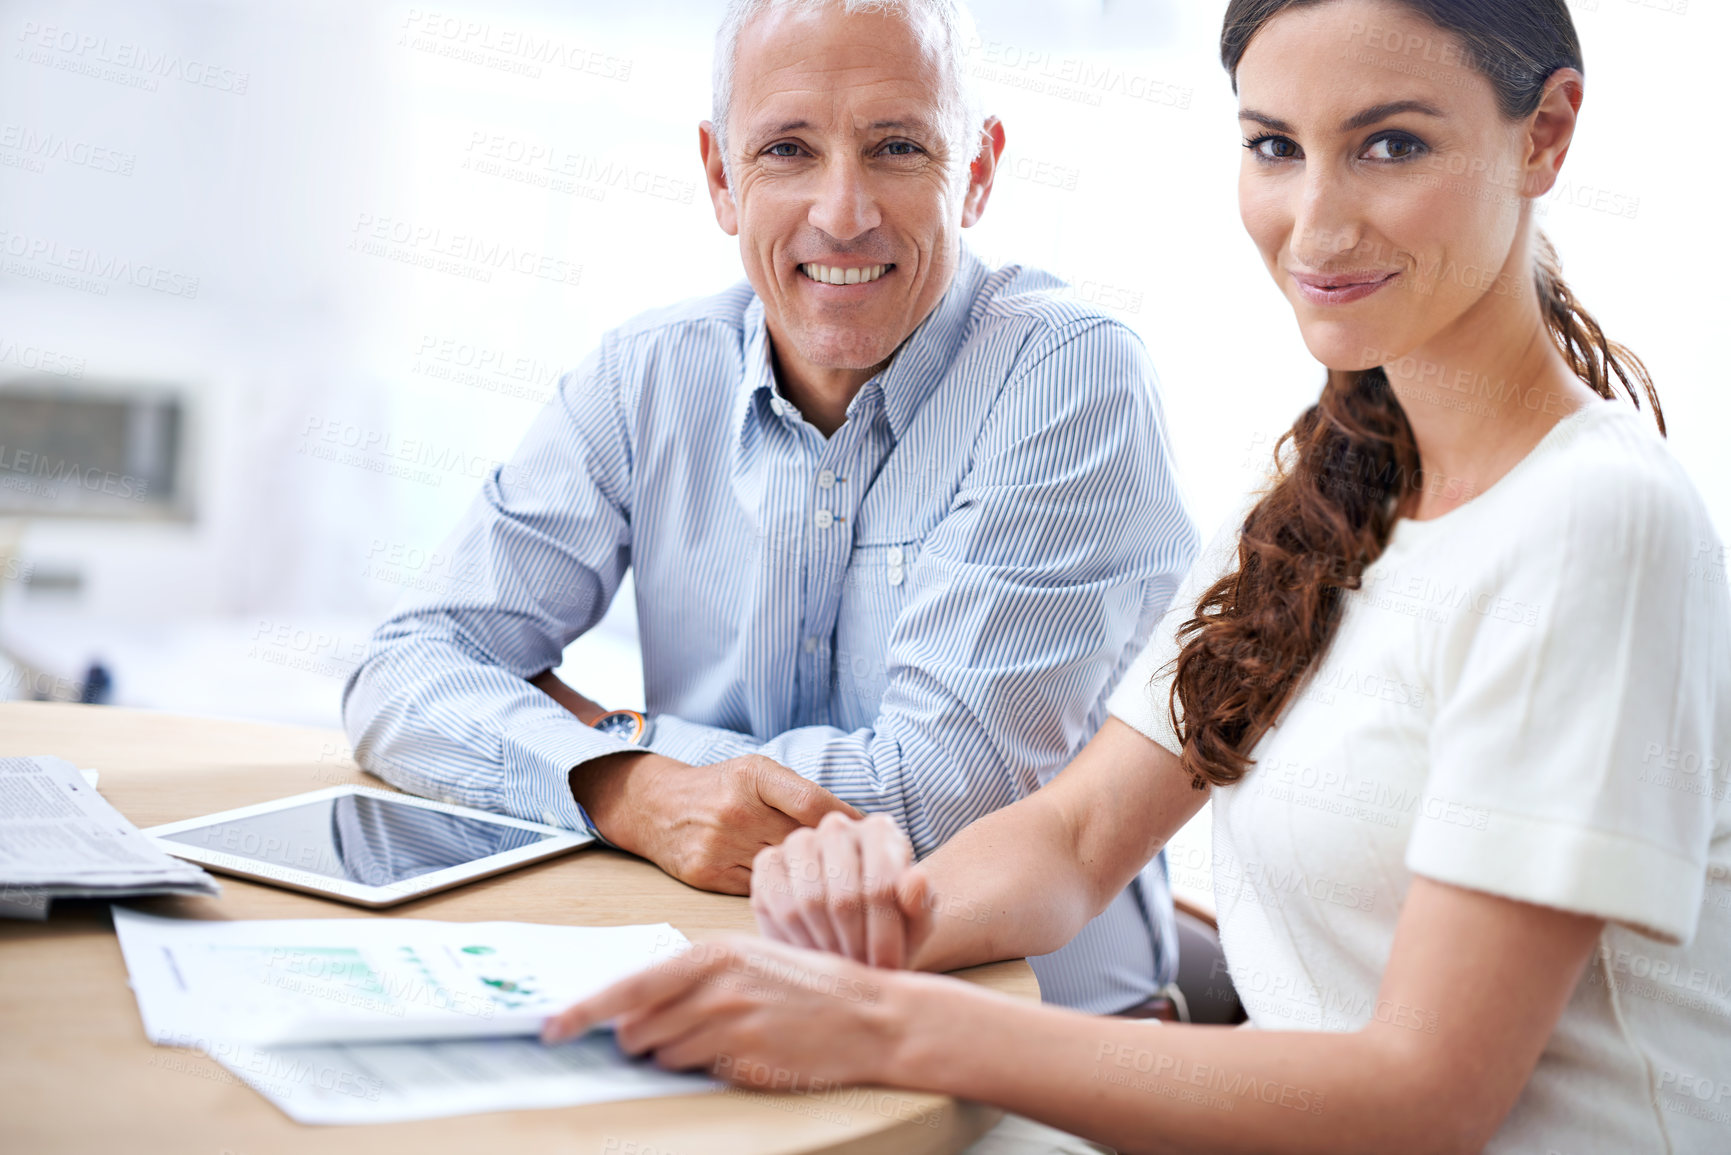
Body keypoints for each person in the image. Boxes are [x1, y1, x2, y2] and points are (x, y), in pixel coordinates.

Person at [540, 2, 1731, 1152]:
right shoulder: (1328, 485)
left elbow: (1425, 1097)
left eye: (1391, 145)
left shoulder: (1592, 523)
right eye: (1276, 147)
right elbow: (1074, 836)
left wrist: (887, 1021)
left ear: (1548, 134)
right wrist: (856, 932)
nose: (1315, 223)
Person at [342, 0, 1197, 1017]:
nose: (842, 213)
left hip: (1036, 1054)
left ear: (975, 170)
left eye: (897, 148)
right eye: (789, 149)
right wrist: (624, 786)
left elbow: (931, 803)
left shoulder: (1068, 374)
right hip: (747, 1008)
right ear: (719, 176)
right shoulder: (643, 378)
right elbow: (403, 673)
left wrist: (605, 732)